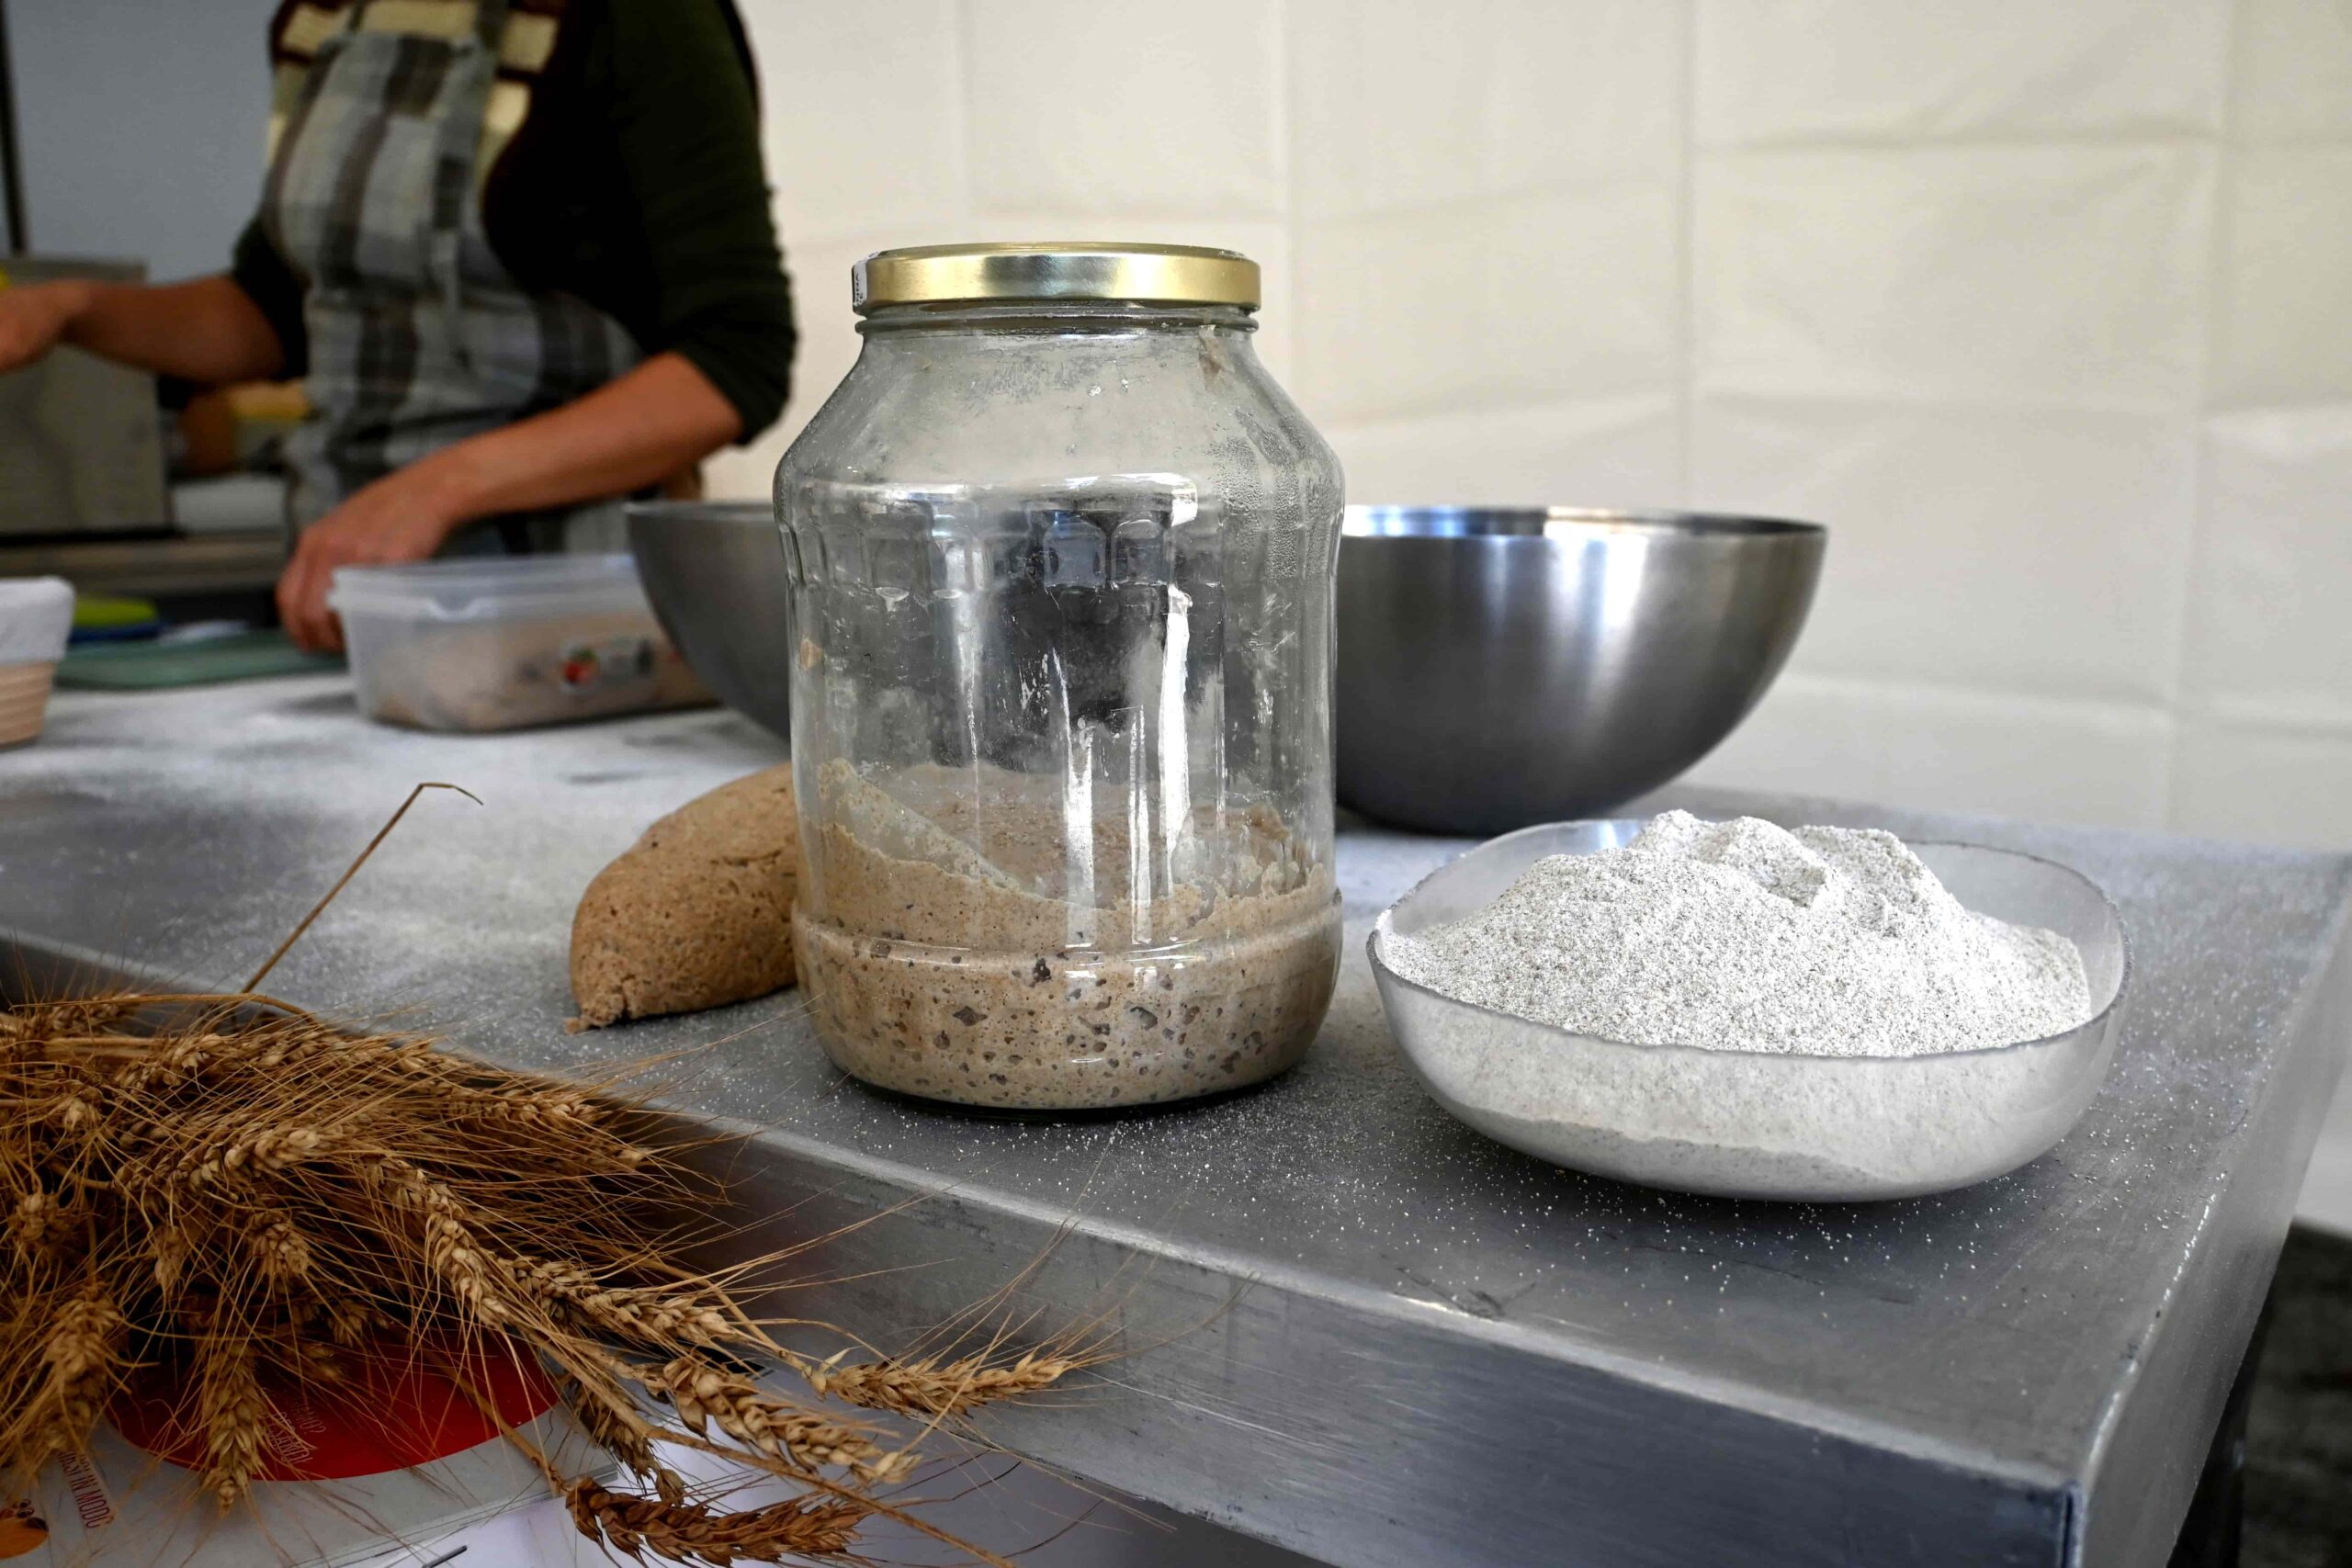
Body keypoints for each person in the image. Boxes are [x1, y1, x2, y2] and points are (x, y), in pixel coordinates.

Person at [0, 0, 793, 652]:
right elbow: (277, 313)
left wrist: (437, 487)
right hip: (352, 603)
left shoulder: (640, 20)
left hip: (567, 612)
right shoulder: (320, 24)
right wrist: (69, 309)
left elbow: (734, 357)